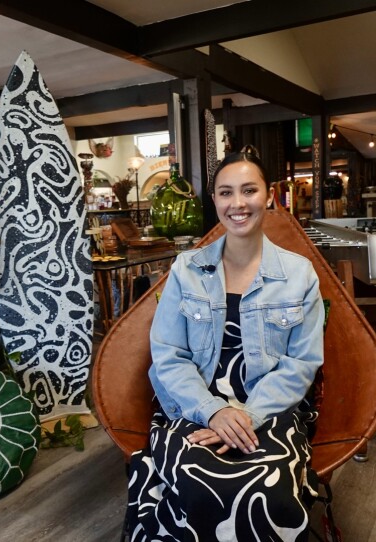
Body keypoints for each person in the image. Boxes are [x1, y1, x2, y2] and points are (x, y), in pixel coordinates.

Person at [126, 146, 325, 541]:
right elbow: (168, 355)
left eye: (249, 191)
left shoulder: (299, 274)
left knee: (268, 491)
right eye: (226, 192)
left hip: (271, 409)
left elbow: (302, 364)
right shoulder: (187, 269)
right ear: (214, 200)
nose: (238, 203)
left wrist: (247, 417)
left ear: (269, 195)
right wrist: (212, 411)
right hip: (190, 407)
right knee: (196, 481)